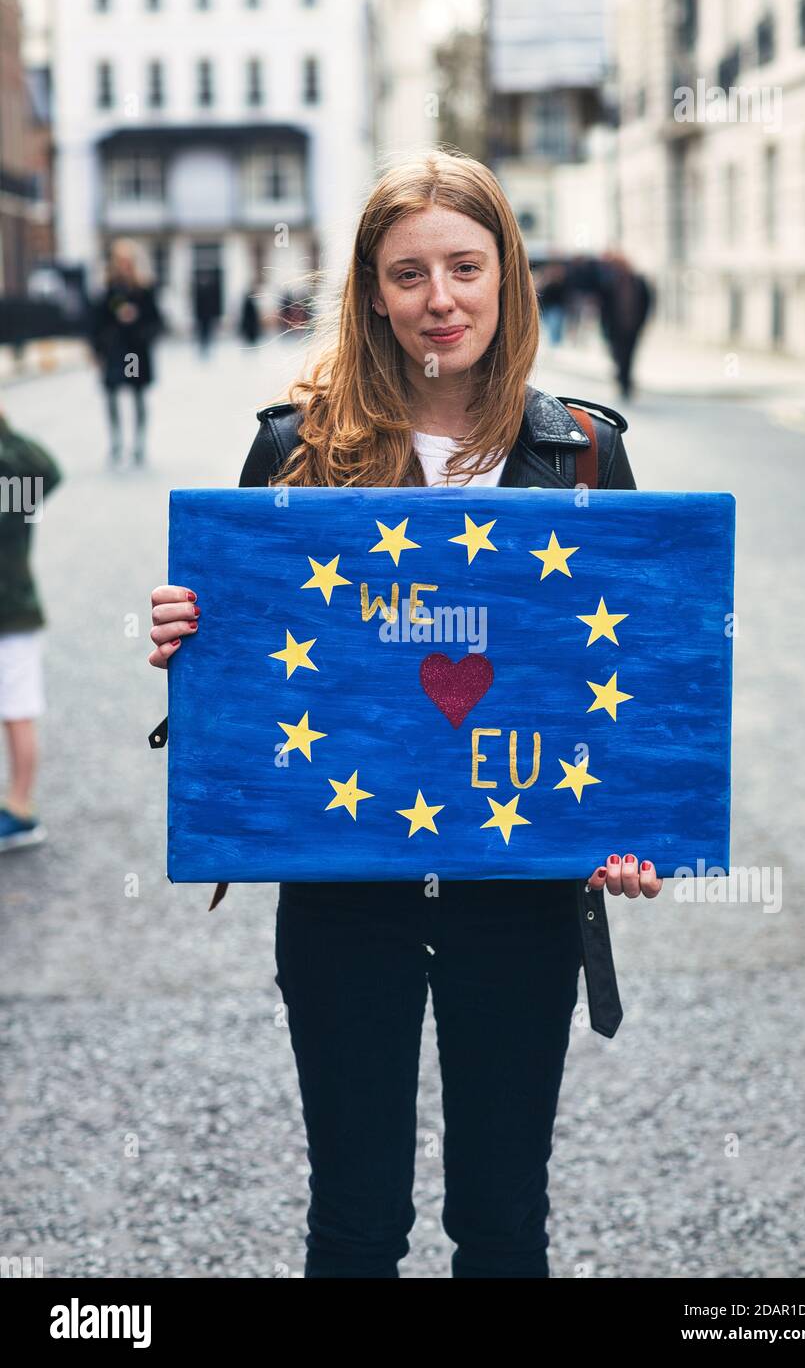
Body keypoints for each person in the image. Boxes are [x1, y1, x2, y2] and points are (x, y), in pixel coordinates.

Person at [147, 149, 663, 1278]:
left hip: (518, 891)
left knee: (500, 1223)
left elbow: (629, 672)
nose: (440, 300)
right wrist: (194, 640)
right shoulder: (294, 449)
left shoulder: (580, 449)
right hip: (343, 891)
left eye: (465, 268)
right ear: (371, 293)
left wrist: (628, 825)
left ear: (507, 276)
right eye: (408, 273)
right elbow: (248, 670)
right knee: (354, 1223)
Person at [0, 407, 62, 850]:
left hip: (12, 612)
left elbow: (45, 469)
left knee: (17, 710)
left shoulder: (13, 472)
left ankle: (20, 808)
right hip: (14, 607)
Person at [89, 238, 164, 466]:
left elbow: (157, 322)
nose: (122, 266)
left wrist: (137, 323)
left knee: (138, 396)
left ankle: (138, 444)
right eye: (119, 261)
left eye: (126, 261)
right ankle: (116, 442)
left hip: (136, 353)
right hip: (114, 353)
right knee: (111, 396)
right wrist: (97, 349)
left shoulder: (144, 290)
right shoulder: (108, 291)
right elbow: (96, 322)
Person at [597, 251, 654, 400]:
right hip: (615, 326)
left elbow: (648, 302)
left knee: (629, 355)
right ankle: (622, 379)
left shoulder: (639, 281)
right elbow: (604, 307)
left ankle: (626, 383)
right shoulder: (610, 282)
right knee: (617, 354)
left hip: (632, 325)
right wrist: (604, 325)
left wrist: (642, 321)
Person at [193, 269, 221, 356]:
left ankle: (207, 348)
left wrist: (215, 314)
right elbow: (196, 304)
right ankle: (203, 348)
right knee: (201, 332)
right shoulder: (198, 289)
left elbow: (215, 302)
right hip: (201, 316)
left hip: (208, 315)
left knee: (208, 332)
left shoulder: (212, 288)